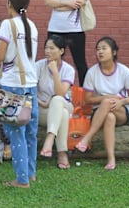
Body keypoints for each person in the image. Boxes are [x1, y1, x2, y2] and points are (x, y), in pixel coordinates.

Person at [74, 36, 129, 171]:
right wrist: (107, 97)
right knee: (109, 116)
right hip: (100, 113)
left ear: (114, 52)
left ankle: (86, 139)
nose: (100, 52)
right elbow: (88, 99)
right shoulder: (92, 72)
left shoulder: (124, 71)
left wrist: (122, 102)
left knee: (108, 104)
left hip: (121, 111)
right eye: (98, 49)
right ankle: (111, 159)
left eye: (104, 49)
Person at [0, 0, 39, 188]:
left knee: (16, 132)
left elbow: (0, 55)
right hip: (31, 84)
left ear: (9, 4)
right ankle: (30, 174)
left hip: (13, 84)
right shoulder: (32, 26)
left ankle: (21, 180)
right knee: (30, 131)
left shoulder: (7, 24)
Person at [45, 0, 88, 86]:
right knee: (52, 61)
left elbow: (80, 1)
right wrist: (68, 3)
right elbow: (47, 1)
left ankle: (83, 94)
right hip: (55, 28)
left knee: (80, 62)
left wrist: (57, 5)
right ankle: (53, 88)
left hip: (74, 29)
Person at [37, 35, 75, 169]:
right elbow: (29, 91)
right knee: (62, 114)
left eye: (52, 48)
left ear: (61, 51)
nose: (47, 51)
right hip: (42, 109)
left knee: (58, 100)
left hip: (63, 103)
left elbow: (60, 93)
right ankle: (62, 154)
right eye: (46, 48)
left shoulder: (68, 69)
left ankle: (50, 138)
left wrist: (55, 73)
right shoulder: (39, 66)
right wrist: (42, 103)